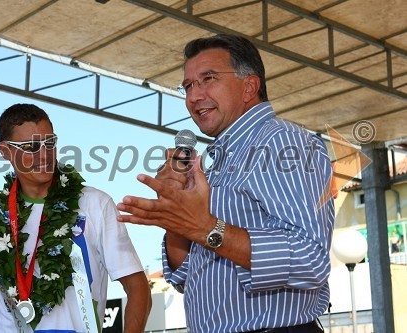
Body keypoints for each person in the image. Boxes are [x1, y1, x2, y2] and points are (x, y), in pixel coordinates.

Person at [117, 34, 334, 332]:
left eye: (208, 78)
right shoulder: (214, 161)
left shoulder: (283, 143)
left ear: (249, 86)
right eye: (188, 85)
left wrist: (204, 227)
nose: (193, 96)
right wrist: (176, 215)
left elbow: (310, 261)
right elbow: (186, 277)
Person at [0, 103, 151, 332]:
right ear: (5, 151)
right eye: (31, 147)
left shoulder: (95, 203)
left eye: (50, 143)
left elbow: (137, 287)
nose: (44, 155)